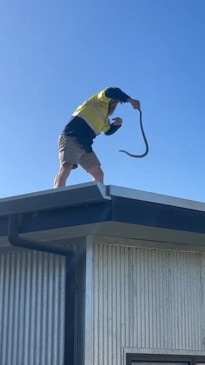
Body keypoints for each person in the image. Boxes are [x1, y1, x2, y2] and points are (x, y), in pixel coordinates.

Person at [54, 87, 140, 187]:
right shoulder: (98, 101)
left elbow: (108, 132)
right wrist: (130, 100)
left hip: (86, 147)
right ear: (109, 98)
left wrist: (117, 125)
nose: (115, 102)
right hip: (71, 137)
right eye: (114, 99)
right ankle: (57, 196)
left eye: (117, 102)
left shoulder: (105, 119)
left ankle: (95, 200)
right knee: (66, 166)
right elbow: (111, 91)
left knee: (98, 174)